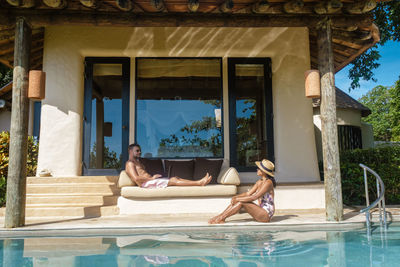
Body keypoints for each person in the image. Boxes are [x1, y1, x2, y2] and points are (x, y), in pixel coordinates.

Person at [209, 159, 276, 224]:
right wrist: (235, 197)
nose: (257, 169)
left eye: (259, 168)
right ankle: (220, 216)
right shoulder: (259, 181)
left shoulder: (268, 183)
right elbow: (248, 193)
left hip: (266, 214)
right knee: (239, 201)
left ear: (264, 171)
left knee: (241, 202)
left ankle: (221, 218)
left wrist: (238, 199)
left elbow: (254, 197)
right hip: (260, 210)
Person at [125, 143, 212, 188]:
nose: (139, 152)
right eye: (137, 151)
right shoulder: (130, 163)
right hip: (146, 184)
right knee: (174, 181)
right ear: (130, 151)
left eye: (140, 150)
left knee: (176, 178)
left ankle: (199, 181)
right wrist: (152, 178)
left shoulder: (138, 162)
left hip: (149, 182)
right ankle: (199, 183)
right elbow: (136, 178)